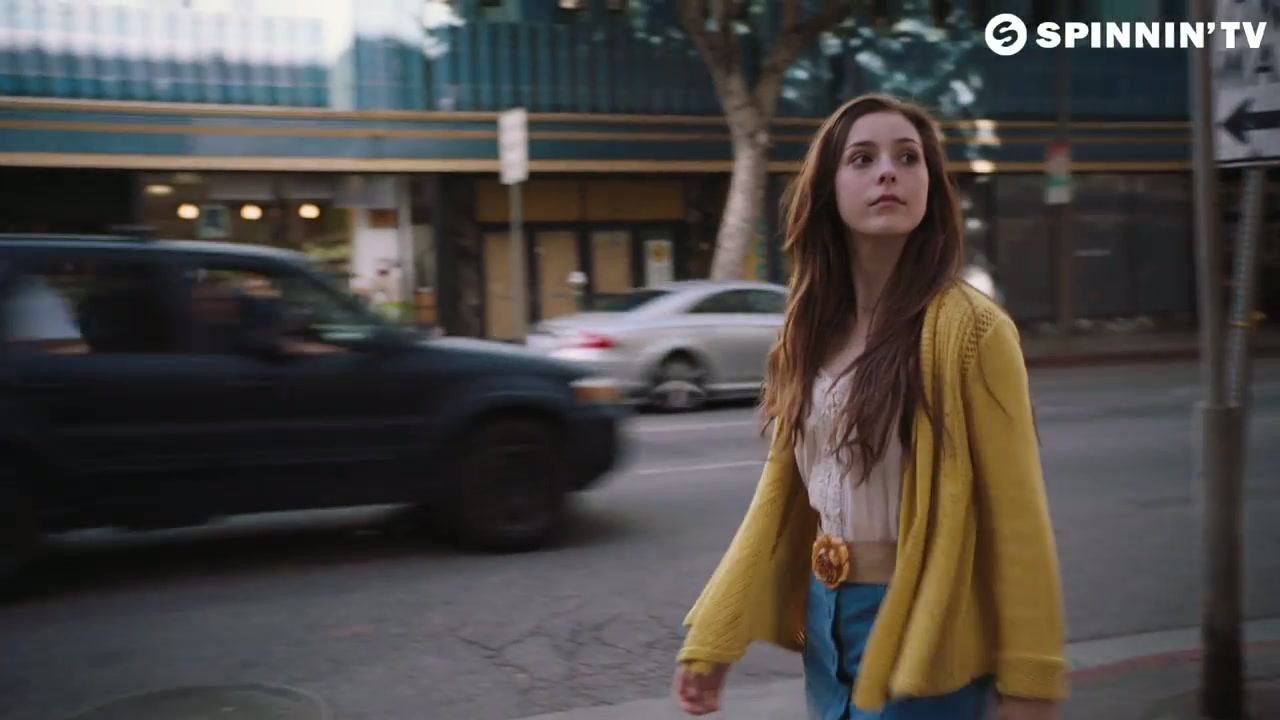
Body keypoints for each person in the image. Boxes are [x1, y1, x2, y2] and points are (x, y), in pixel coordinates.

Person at [671, 94, 1066, 720]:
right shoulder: (807, 329)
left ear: (930, 186)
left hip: (924, 628)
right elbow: (779, 498)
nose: (888, 172)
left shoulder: (972, 332)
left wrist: (1030, 685)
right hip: (825, 624)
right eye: (863, 158)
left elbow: (1018, 522)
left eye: (908, 158)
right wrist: (715, 636)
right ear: (829, 190)